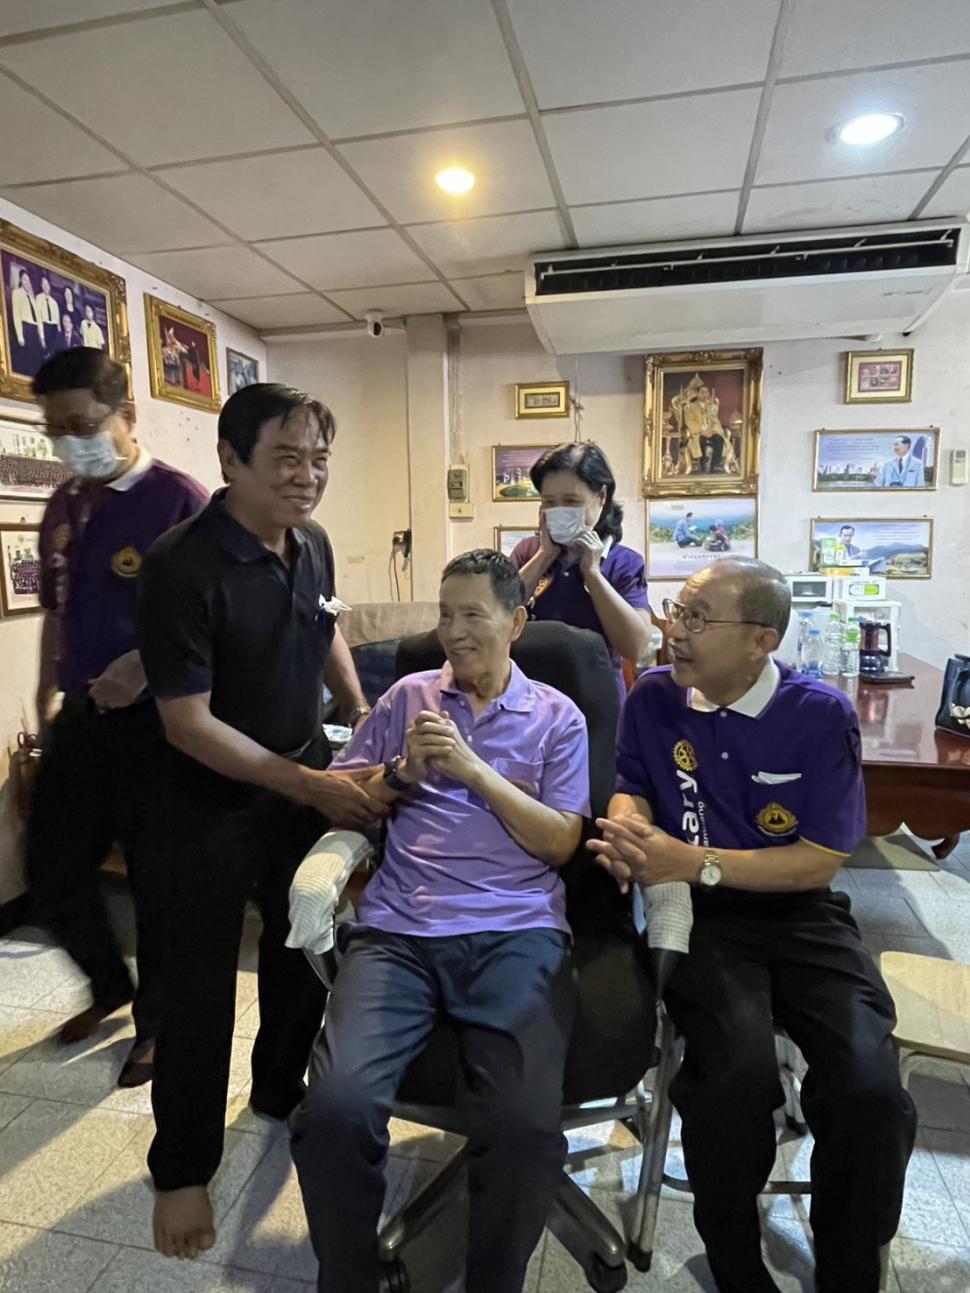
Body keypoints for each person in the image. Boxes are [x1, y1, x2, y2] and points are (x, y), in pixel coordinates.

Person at [589, 558, 916, 1293]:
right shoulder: (653, 698)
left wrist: (691, 859)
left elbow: (818, 862)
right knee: (733, 1079)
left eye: (698, 617)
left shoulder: (819, 714)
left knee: (868, 1087)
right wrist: (629, 827)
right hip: (705, 920)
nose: (675, 629)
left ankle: (849, 1264)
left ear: (761, 640)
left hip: (799, 911)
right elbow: (634, 785)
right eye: (678, 609)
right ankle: (734, 1259)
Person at [290, 549, 589, 1293]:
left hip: (517, 929)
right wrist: (401, 774)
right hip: (399, 930)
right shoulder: (406, 698)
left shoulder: (558, 716)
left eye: (472, 615)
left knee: (522, 1129)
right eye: (444, 614)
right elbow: (341, 798)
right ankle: (351, 1278)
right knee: (333, 1109)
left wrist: (474, 770)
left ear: (516, 623)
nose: (453, 632)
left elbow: (560, 842)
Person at [137, 382, 382, 1261]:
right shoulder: (180, 565)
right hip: (201, 798)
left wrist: (361, 711)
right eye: (285, 457)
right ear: (231, 460)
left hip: (297, 774)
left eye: (318, 458)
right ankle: (182, 1168)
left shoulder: (310, 542)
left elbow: (325, 626)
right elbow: (187, 722)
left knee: (302, 948)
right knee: (197, 988)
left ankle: (278, 1091)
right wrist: (308, 784)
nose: (306, 475)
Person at [26, 348, 208, 1087]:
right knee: (50, 871)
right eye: (56, 430)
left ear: (126, 416)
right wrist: (44, 689)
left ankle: (157, 1024)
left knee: (158, 884)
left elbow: (216, 624)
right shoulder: (65, 503)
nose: (70, 442)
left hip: (160, 728)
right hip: (81, 719)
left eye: (83, 425)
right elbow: (56, 608)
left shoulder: (180, 502)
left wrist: (147, 667)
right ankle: (109, 984)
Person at [509, 442, 652, 689]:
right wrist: (544, 556)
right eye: (549, 502)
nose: (559, 511)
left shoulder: (624, 563)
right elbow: (495, 616)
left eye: (571, 501)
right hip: (531, 694)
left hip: (596, 697)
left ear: (601, 497)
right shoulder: (527, 552)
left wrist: (593, 574)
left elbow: (636, 648)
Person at [10, 268, 42, 374]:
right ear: (20, 280)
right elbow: (16, 315)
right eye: (24, 280)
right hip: (26, 328)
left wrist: (40, 335)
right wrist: (20, 336)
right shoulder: (17, 293)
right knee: (26, 358)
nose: (27, 282)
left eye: (28, 280)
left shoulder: (32, 297)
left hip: (34, 329)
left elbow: (37, 317)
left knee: (36, 359)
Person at [34, 274, 61, 357]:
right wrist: (42, 338)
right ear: (41, 285)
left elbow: (58, 323)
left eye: (47, 284)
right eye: (43, 284)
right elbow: (38, 318)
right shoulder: (38, 298)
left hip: (54, 330)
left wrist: (59, 337)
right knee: (46, 355)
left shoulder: (54, 302)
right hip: (45, 328)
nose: (46, 286)